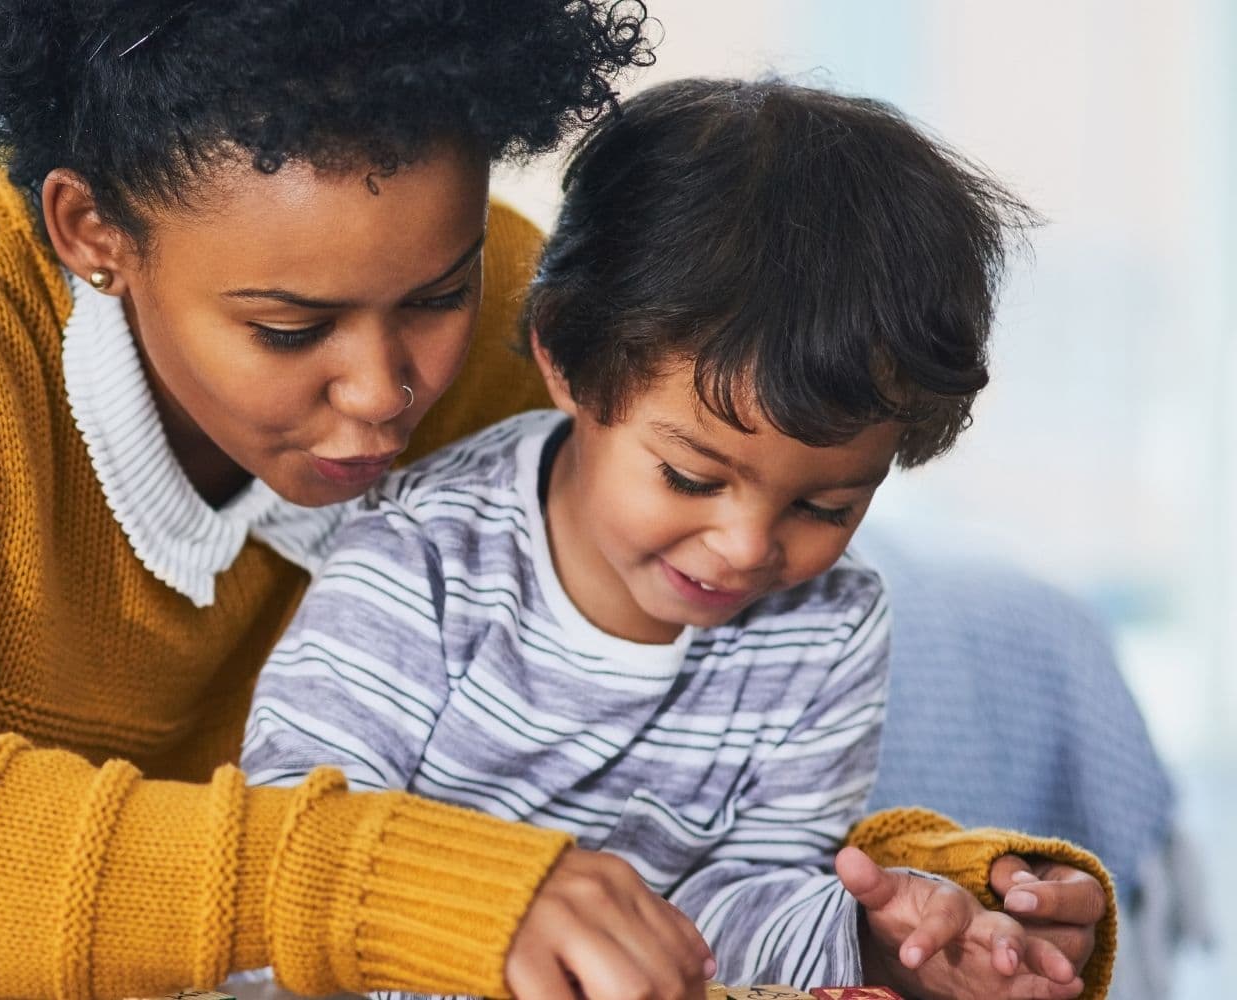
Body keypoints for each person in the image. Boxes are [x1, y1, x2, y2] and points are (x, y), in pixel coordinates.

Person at [0, 3, 1114, 998]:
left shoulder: (516, 335)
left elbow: (642, 739)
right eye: (287, 326)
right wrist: (373, 880)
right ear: (89, 232)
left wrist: (931, 894)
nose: (391, 386)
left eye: (430, 293)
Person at [241, 76, 1079, 998]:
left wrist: (875, 939)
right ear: (568, 357)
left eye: (826, 507)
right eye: (691, 478)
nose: (747, 547)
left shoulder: (830, 628)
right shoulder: (421, 562)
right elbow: (304, 857)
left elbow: (741, 904)